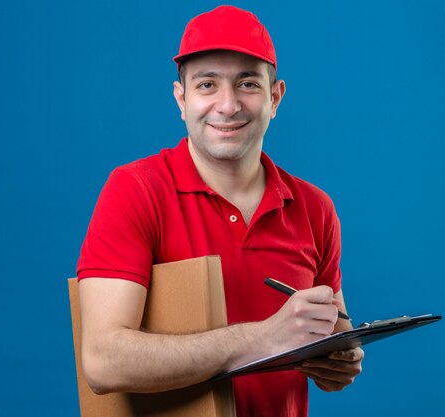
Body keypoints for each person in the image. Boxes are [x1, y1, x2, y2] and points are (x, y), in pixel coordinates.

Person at [76, 5, 363, 416]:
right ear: (182, 99)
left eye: (247, 83)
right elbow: (103, 361)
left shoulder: (314, 208)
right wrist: (264, 337)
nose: (227, 106)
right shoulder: (135, 190)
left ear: (275, 97)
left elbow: (337, 331)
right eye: (207, 85)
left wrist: (340, 360)